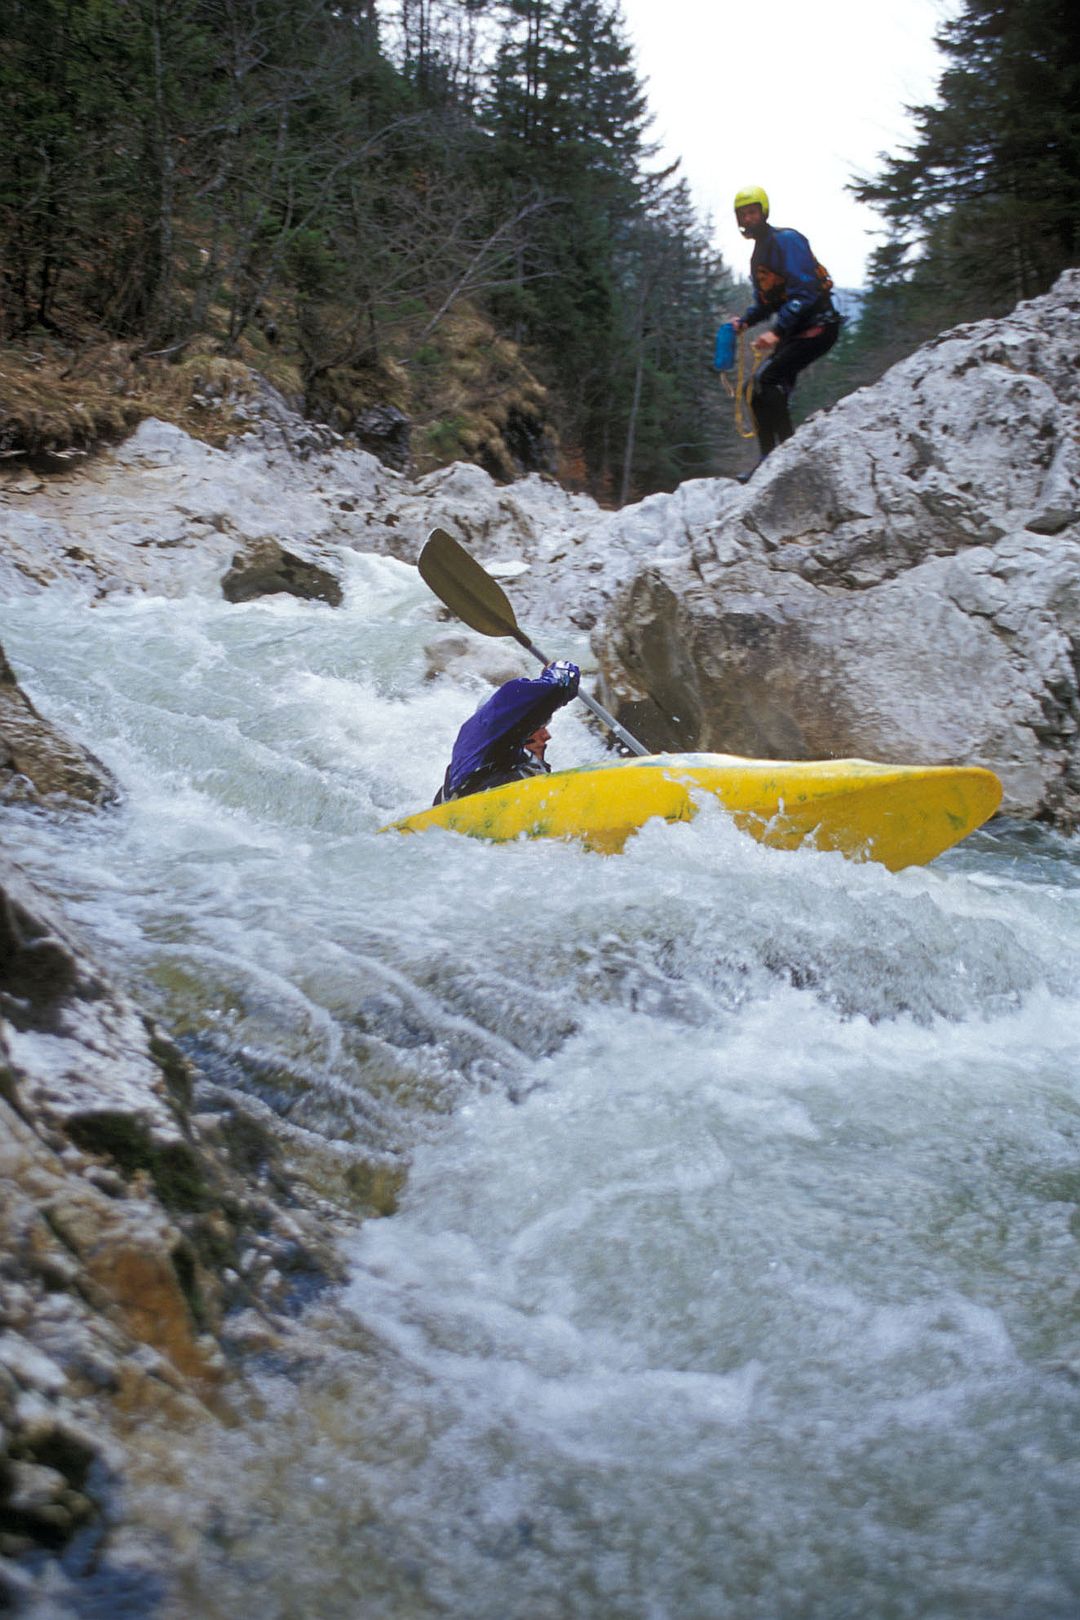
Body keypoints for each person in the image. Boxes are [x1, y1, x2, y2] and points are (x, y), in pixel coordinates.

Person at [724, 185, 842, 472]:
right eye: (743, 215)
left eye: (753, 212)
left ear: (763, 213)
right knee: (754, 389)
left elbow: (806, 291)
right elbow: (768, 302)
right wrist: (746, 322)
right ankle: (768, 462)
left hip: (818, 325)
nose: (748, 219)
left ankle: (789, 458)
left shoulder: (786, 240)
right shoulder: (759, 256)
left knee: (769, 381)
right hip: (797, 330)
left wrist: (776, 332)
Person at [433, 660, 581, 804]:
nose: (546, 735)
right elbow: (561, 682)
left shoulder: (460, 774)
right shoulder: (495, 723)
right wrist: (559, 668)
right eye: (540, 725)